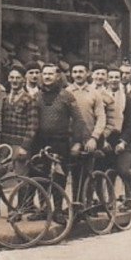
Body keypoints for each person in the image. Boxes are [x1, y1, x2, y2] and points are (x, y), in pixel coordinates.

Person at [30, 63, 82, 193]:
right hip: (40, 141)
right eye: (45, 74)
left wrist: (77, 142)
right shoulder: (36, 96)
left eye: (51, 74)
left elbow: (78, 119)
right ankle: (44, 209)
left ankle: (58, 209)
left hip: (60, 141)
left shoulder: (66, 96)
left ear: (58, 76)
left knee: (59, 177)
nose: (47, 77)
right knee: (40, 175)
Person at [106, 65, 131, 202]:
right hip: (108, 140)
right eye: (111, 77)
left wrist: (123, 141)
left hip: (125, 140)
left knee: (124, 169)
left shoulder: (128, 98)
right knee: (109, 173)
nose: (114, 80)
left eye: (117, 77)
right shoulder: (101, 97)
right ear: (106, 79)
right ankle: (111, 201)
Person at [0, 64, 38, 174]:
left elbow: (33, 126)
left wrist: (25, 147)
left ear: (23, 79)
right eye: (12, 77)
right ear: (8, 79)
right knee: (2, 179)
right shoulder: (4, 98)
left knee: (21, 179)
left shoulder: (29, 99)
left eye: (18, 78)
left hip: (20, 145)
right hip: (5, 144)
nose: (14, 81)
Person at [66, 60, 105, 153]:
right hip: (70, 141)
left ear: (87, 73)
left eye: (81, 72)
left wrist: (94, 138)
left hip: (90, 141)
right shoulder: (66, 93)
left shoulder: (95, 93)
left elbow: (101, 117)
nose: (78, 75)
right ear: (71, 74)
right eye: (75, 72)